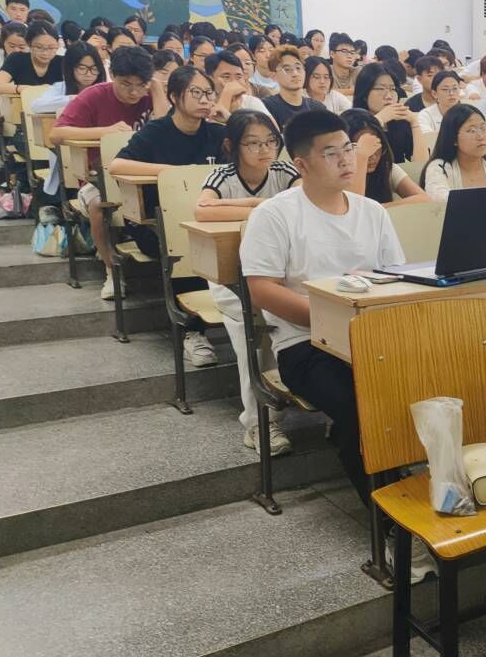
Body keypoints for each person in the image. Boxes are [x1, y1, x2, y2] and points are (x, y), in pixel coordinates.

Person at [241, 109, 404, 509]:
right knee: (361, 403)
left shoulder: (372, 212)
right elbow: (261, 290)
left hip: (372, 336)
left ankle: (428, 488)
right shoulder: (274, 215)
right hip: (306, 345)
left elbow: (396, 277)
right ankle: (387, 515)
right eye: (331, 153)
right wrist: (333, 322)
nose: (347, 159)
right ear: (301, 164)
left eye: (349, 148)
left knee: (437, 377)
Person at [195, 109, 300, 454]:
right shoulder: (222, 175)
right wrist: (259, 205)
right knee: (250, 335)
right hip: (229, 277)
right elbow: (203, 210)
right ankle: (259, 424)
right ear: (232, 146)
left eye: (270, 141)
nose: (264, 149)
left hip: (282, 272)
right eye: (253, 143)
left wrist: (250, 207)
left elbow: (302, 204)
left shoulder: (286, 172)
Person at [110, 64, 226, 365]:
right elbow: (117, 166)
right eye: (196, 93)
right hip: (153, 223)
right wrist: (174, 173)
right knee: (185, 242)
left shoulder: (217, 133)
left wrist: (231, 120)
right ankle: (192, 331)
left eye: (209, 93)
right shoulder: (156, 131)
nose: (205, 100)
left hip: (206, 218)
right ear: (174, 96)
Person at [51, 46, 168, 299]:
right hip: (99, 178)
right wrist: (104, 132)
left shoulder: (153, 94)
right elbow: (56, 134)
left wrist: (157, 89)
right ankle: (111, 270)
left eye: (141, 85)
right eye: (126, 84)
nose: (134, 92)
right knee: (98, 205)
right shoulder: (94, 96)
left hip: (147, 177)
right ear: (112, 75)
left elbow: (166, 132)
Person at [420, 102, 486, 202]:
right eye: (471, 130)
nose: (481, 136)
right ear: (453, 138)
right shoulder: (439, 168)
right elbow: (441, 201)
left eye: (483, 128)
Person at [341, 109, 428, 205]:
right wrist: (361, 157)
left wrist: (379, 209)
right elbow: (354, 208)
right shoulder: (337, 175)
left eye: (376, 147)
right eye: (365, 149)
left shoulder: (387, 169)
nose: (372, 156)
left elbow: (425, 199)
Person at [352, 62, 427, 164]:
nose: (389, 96)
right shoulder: (352, 120)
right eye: (380, 88)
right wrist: (379, 119)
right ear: (364, 94)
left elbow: (421, 165)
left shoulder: (400, 122)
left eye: (392, 89)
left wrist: (414, 123)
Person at [261, 44, 326, 129]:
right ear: (274, 76)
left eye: (298, 68)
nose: (295, 74)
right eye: (287, 69)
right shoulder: (266, 107)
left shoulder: (318, 108)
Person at [29, 41, 104, 114]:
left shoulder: (105, 89)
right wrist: (77, 99)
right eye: (82, 68)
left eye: (94, 68)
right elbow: (36, 106)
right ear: (70, 68)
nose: (89, 74)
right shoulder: (60, 87)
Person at [0, 21, 62, 94]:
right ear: (29, 44)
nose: (45, 53)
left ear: (58, 45)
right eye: (39, 47)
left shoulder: (62, 62)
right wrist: (26, 89)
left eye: (51, 48)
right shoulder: (17, 59)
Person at [205, 50, 270, 122]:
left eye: (239, 77)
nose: (234, 82)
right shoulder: (203, 103)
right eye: (226, 77)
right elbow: (212, 126)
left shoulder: (251, 102)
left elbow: (271, 127)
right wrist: (227, 95)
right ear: (209, 80)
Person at [416, 69, 463, 137]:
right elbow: (428, 139)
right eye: (445, 89)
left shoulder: (469, 113)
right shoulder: (425, 115)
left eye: (455, 88)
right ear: (434, 94)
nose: (451, 93)